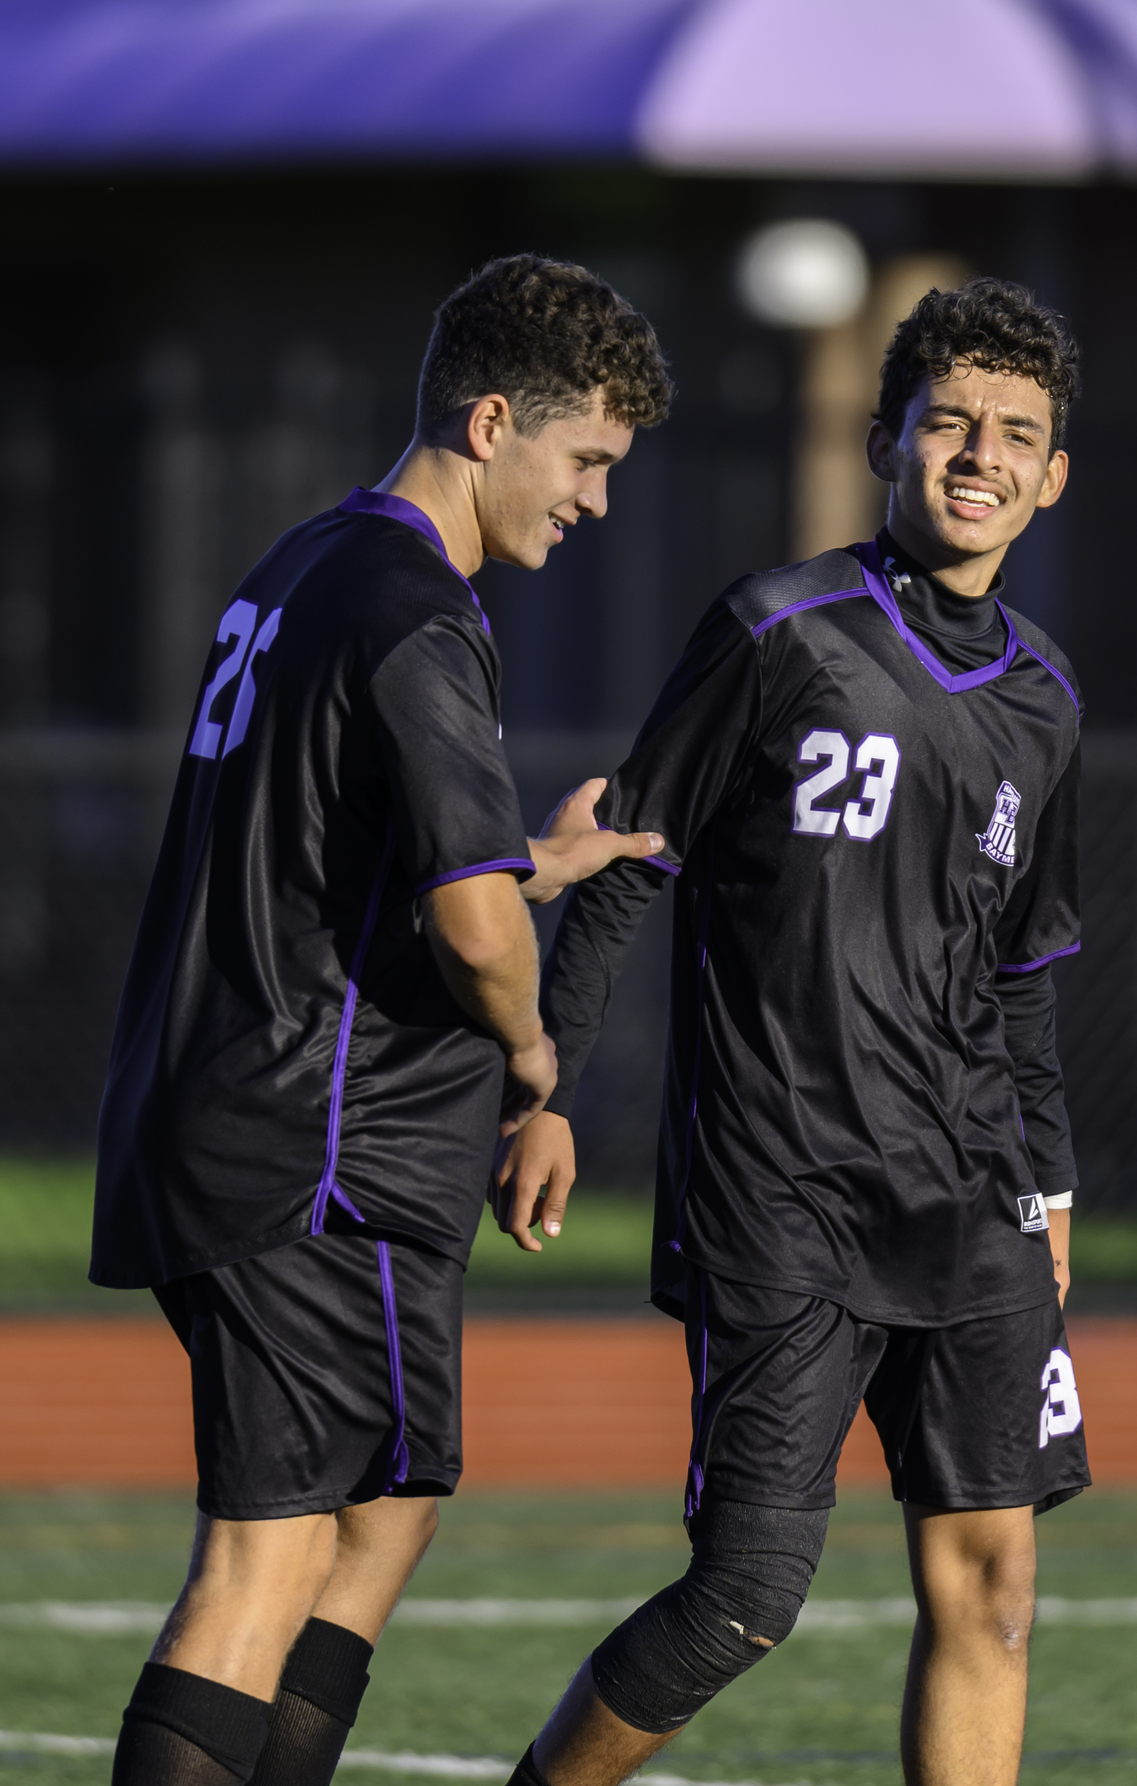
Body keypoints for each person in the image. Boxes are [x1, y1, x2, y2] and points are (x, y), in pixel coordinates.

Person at [495, 278, 1088, 1786]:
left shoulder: (1048, 702)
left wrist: (1053, 1186)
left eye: (1017, 433)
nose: (980, 453)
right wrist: (547, 1079)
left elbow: (1020, 978)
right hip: (783, 1197)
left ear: (1053, 473)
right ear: (887, 437)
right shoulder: (779, 626)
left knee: (995, 1592)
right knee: (747, 1599)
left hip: (973, 1203)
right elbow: (631, 857)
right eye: (949, 419)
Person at [90, 254, 672, 1786]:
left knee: (385, 1509)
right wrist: (536, 1058)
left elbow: (370, 860)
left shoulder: (302, 568)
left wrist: (534, 862)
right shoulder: (423, 608)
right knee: (263, 1562)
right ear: (493, 423)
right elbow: (472, 939)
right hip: (315, 1154)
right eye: (588, 462)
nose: (597, 503)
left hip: (243, 1115)